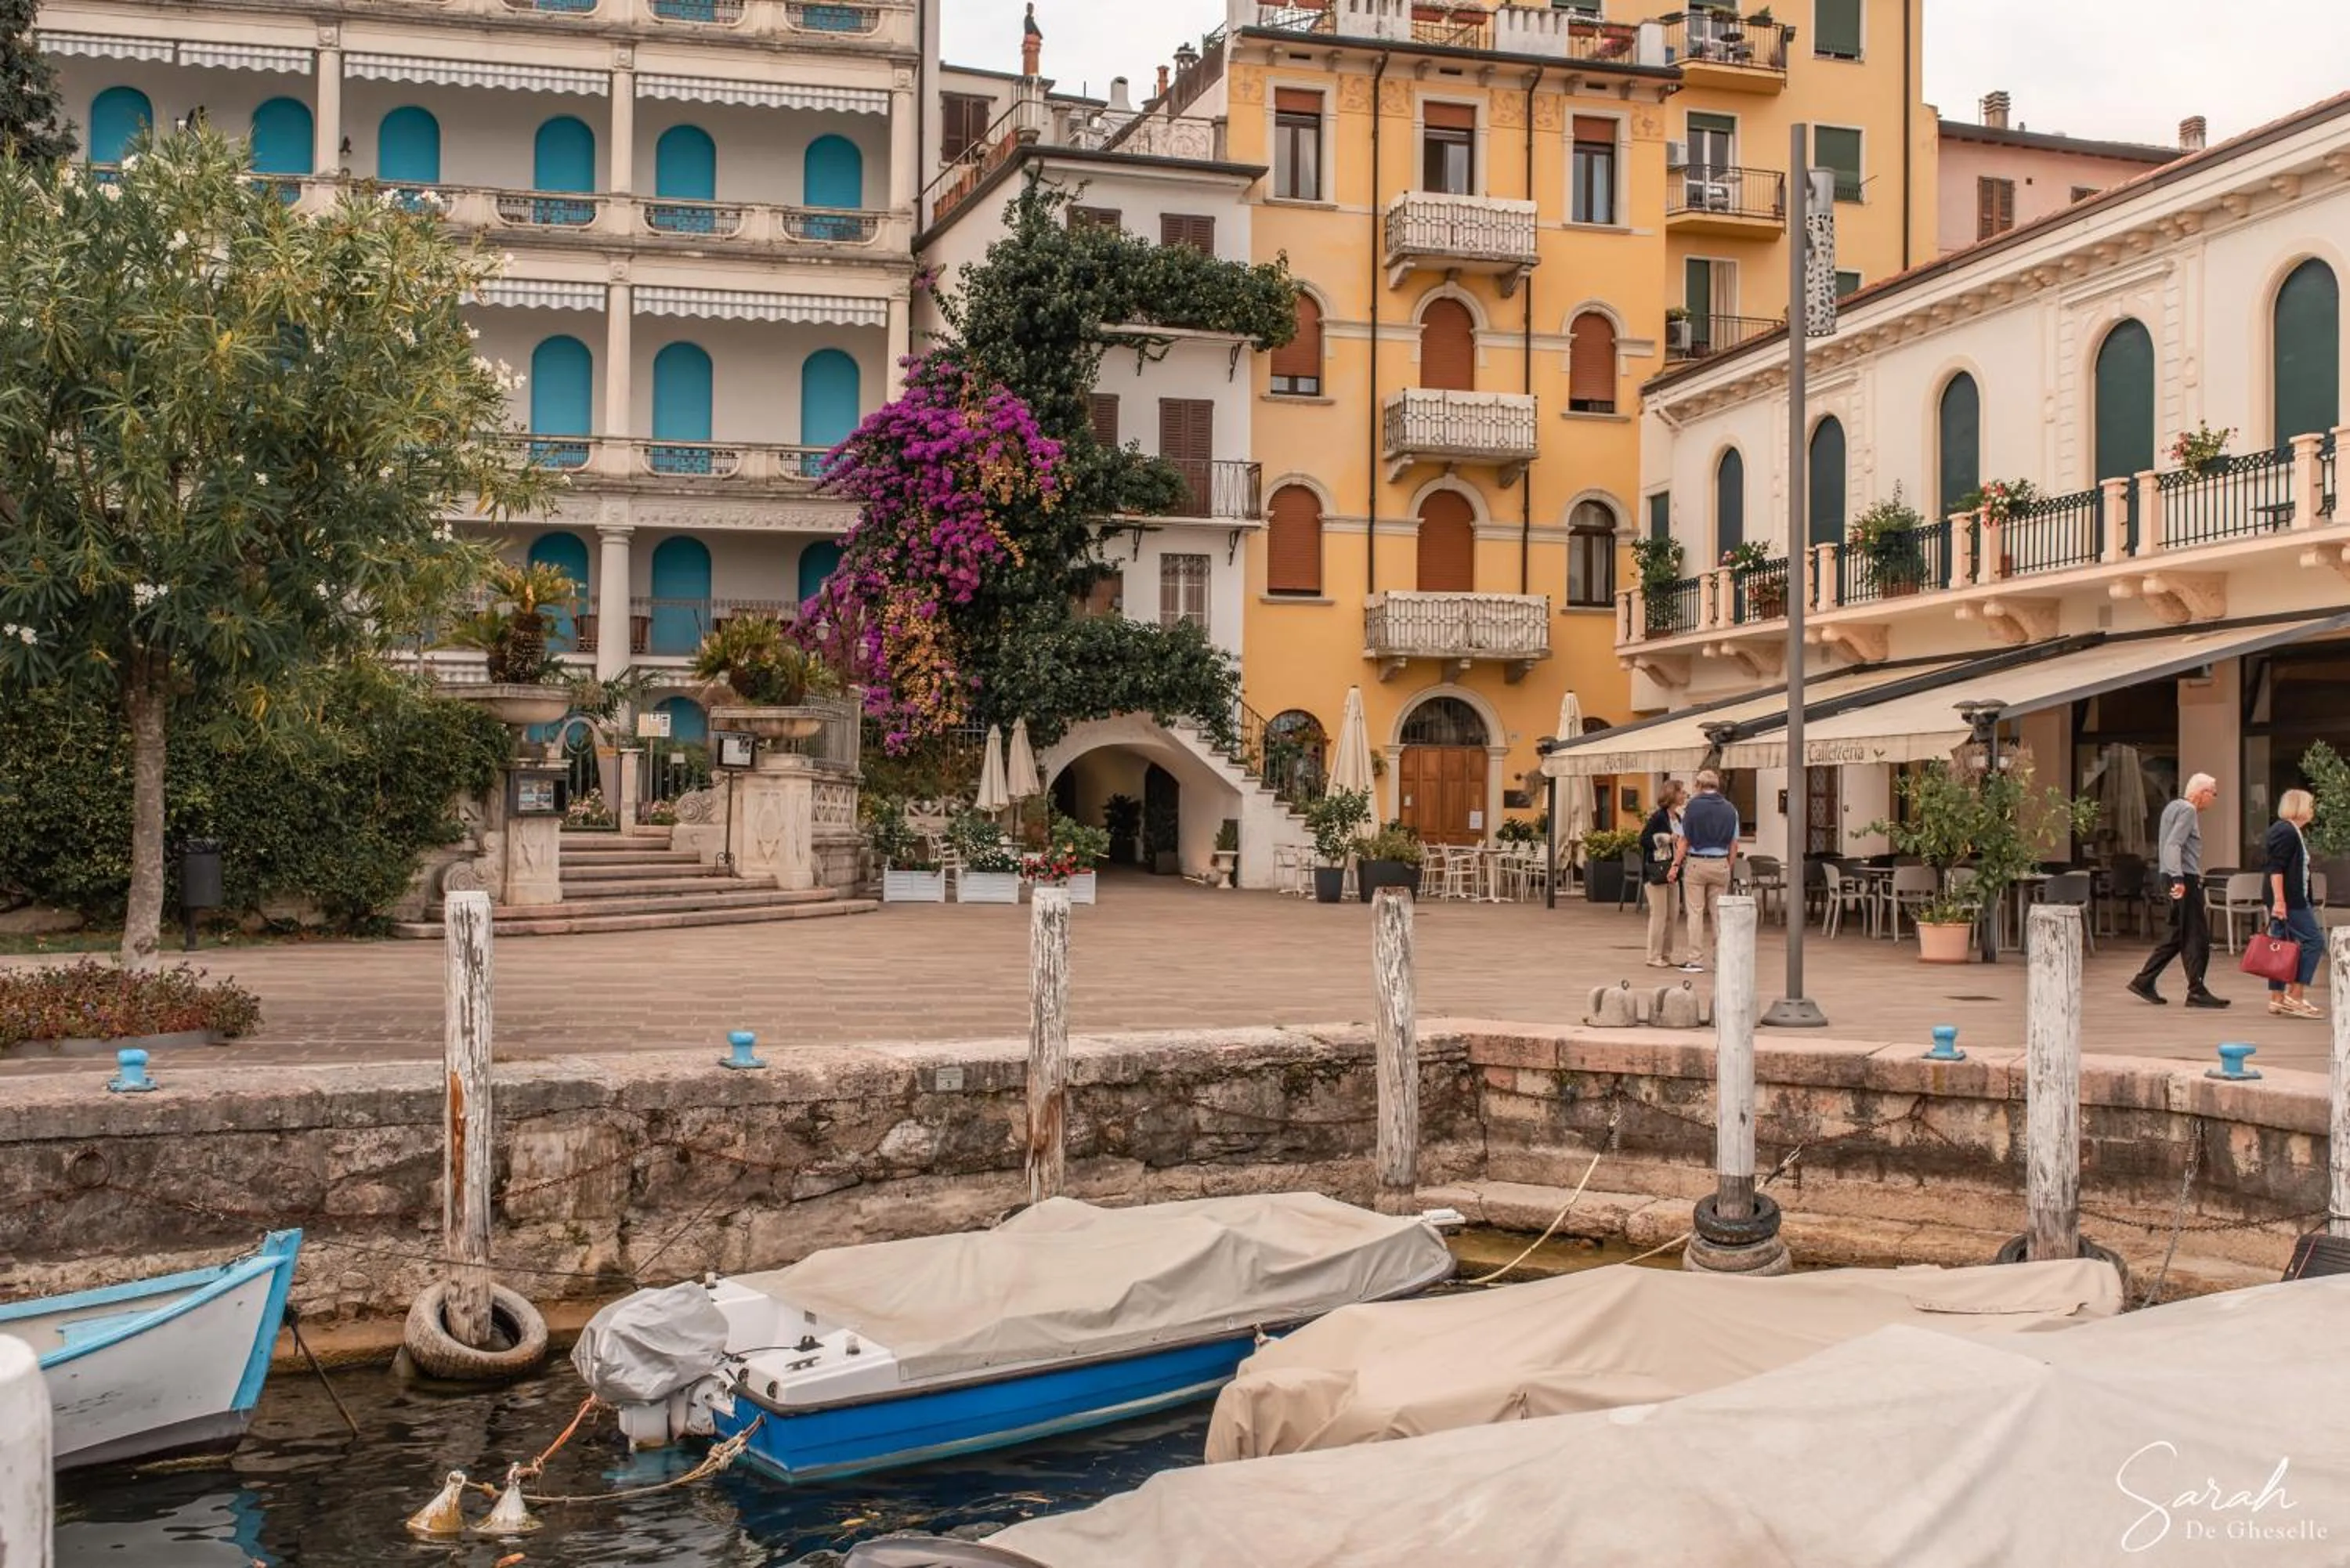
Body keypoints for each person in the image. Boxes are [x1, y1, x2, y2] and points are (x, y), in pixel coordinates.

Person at [2128, 773, 2230, 1009]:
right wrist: (2178, 878)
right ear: (2201, 792)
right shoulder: (2188, 811)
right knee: (2198, 936)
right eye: (2213, 794)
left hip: (2172, 875)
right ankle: (2197, 990)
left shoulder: (2172, 807)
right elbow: (2174, 844)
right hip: (2183, 877)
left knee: (2177, 935)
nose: (2213, 799)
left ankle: (2144, 981)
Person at [2262, 789, 2325, 1019]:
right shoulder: (2286, 831)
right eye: (2310, 805)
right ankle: (2295, 996)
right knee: (2314, 941)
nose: (2312, 810)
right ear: (2299, 806)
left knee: (2282, 944)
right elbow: (2275, 868)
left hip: (2288, 899)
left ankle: (2277, 999)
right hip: (2290, 900)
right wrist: (2280, 901)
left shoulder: (2291, 831)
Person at [1672, 770, 1741, 973]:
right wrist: (1728, 864)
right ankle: (1721, 958)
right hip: (1720, 863)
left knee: (1695, 912)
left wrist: (1675, 864)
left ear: (1700, 786)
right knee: (1719, 914)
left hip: (1697, 862)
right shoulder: (1731, 810)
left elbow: (1684, 840)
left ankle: (1695, 959)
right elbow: (1734, 843)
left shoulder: (1692, 808)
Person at [1640, 782, 1689, 968]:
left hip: (1673, 871)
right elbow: (1644, 839)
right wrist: (1668, 839)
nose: (1684, 795)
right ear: (1672, 795)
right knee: (1659, 914)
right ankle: (1653, 955)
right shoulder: (1658, 817)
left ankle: (1666, 954)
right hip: (1657, 870)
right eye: (1681, 792)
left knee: (1673, 914)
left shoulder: (1678, 817)